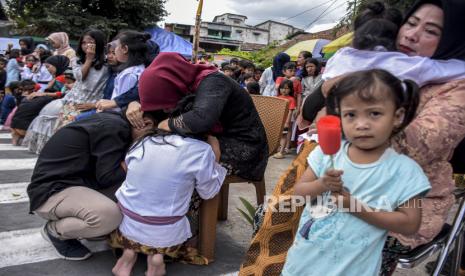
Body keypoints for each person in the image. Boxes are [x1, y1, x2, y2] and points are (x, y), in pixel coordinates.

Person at [239, 1, 465, 275]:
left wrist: (344, 115)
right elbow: (315, 110)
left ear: (454, 37)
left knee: (344, 239)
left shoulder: (456, 85)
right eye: (411, 22)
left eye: (431, 30)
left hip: (392, 196)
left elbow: (424, 141)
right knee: (279, 215)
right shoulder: (375, 63)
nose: (411, 35)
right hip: (337, 175)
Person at [282, 69, 430, 275]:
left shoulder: (406, 171)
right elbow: (299, 193)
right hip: (302, 264)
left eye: (375, 113)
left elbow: (410, 223)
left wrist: (355, 207)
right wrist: (321, 184)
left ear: (397, 116)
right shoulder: (325, 154)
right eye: (351, 115)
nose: (361, 124)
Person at [109, 109, 226, 276]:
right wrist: (216, 157)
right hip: (165, 228)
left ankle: (128, 255)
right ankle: (157, 259)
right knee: (175, 217)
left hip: (127, 220)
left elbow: (129, 168)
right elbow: (208, 192)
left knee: (142, 204)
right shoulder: (201, 150)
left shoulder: (145, 140)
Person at [128, 52, 268, 182]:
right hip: (217, 138)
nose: (166, 110)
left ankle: (190, 207)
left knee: (184, 163)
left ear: (173, 85)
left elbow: (202, 118)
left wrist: (167, 124)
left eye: (166, 106)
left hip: (245, 147)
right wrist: (133, 104)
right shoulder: (185, 84)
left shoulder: (214, 82)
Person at [27, 111, 130, 261]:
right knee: (109, 217)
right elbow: (108, 177)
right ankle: (55, 231)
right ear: (143, 123)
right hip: (50, 192)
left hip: (73, 185)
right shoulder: (114, 127)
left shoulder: (114, 122)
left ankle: (89, 227)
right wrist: (133, 162)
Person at [22, 29, 109, 154]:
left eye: (91, 42)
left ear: (99, 43)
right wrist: (89, 59)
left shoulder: (107, 62)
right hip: (74, 102)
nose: (87, 46)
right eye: (84, 43)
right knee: (63, 134)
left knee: (81, 139)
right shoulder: (77, 59)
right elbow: (80, 77)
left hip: (94, 104)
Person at [95, 31, 152, 112]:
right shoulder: (139, 68)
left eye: (116, 47)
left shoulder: (129, 74)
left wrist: (101, 112)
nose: (115, 50)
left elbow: (120, 106)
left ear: (125, 49)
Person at [273, 79, 296, 159]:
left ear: (290, 89)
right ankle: (279, 149)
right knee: (279, 135)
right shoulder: (278, 97)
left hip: (285, 121)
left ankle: (281, 151)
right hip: (278, 120)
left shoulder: (291, 99)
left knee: (283, 136)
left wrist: (287, 122)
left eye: (286, 88)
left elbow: (290, 112)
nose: (284, 90)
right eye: (282, 88)